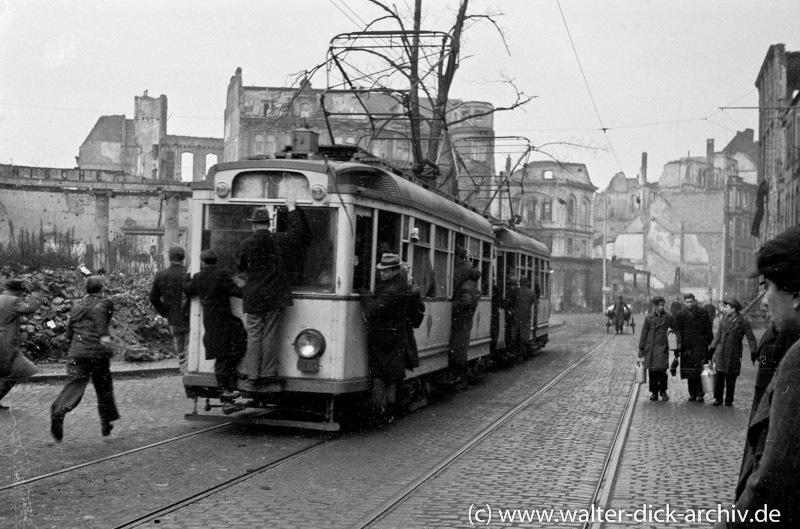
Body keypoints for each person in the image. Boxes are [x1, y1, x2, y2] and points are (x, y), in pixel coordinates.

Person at [719, 226, 800, 528]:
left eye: (768, 287)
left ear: (795, 294)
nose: (764, 300)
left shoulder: (797, 359)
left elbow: (772, 481)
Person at [237, 195, 309, 389]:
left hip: (252, 297)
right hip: (274, 296)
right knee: (270, 335)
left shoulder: (245, 244)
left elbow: (241, 268)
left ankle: (252, 376)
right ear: (268, 224)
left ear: (253, 225)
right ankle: (268, 374)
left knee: (253, 336)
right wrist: (292, 209)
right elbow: (297, 233)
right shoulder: (279, 240)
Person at [50, 276, 119, 441]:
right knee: (104, 388)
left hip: (76, 352)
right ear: (101, 288)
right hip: (97, 353)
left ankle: (59, 410)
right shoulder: (105, 303)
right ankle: (106, 422)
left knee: (75, 384)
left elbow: (69, 332)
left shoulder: (76, 306)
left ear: (85, 290)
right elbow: (101, 318)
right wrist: (103, 335)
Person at [184, 249, 247, 414]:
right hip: (223, 317)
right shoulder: (221, 274)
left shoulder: (198, 277)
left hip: (210, 319)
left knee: (222, 352)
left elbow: (188, 290)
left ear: (203, 262)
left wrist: (187, 277)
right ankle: (225, 391)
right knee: (229, 349)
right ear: (216, 261)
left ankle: (227, 384)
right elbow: (236, 292)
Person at [360, 253, 424, 414]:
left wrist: (364, 293)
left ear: (395, 271)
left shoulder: (392, 290)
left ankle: (380, 407)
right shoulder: (401, 285)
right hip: (393, 335)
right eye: (381, 270)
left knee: (380, 373)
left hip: (383, 337)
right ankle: (389, 405)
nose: (383, 274)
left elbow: (372, 310)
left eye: (387, 271)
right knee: (391, 373)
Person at [0, 278, 45, 410]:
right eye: (22, 292)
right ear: (17, 290)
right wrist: (37, 292)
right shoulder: (12, 301)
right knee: (19, 370)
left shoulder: (2, 298)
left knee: (10, 372)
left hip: (4, 341)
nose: (23, 294)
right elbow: (29, 308)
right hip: (5, 342)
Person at [149, 245, 190, 373]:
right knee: (190, 353)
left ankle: (185, 375)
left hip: (173, 319)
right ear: (183, 257)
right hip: (189, 318)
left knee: (181, 354)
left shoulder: (161, 275)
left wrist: (165, 311)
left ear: (169, 257)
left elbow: (153, 298)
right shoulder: (187, 274)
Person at [709, 298, 757, 407]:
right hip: (721, 352)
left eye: (727, 307)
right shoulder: (724, 320)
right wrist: (711, 350)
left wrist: (753, 352)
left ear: (733, 309)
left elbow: (751, 338)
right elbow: (717, 336)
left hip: (733, 354)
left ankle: (729, 400)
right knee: (719, 376)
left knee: (731, 377)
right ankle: (718, 399)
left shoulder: (743, 322)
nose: (725, 309)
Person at [674, 293, 714, 402]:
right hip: (687, 348)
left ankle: (700, 394)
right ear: (684, 302)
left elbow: (708, 330)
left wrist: (711, 346)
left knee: (699, 371)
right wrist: (677, 348)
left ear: (694, 301)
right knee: (690, 372)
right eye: (687, 302)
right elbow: (677, 333)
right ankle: (692, 394)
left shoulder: (702, 313)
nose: (689, 304)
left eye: (691, 302)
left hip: (700, 346)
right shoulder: (680, 315)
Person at [638, 296, 679, 402]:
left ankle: (663, 391)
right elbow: (644, 333)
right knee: (652, 372)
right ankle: (654, 392)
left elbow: (676, 328)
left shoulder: (668, 317)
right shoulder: (649, 318)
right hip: (650, 348)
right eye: (659, 305)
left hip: (662, 347)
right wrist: (641, 350)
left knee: (662, 371)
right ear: (655, 306)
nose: (661, 307)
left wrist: (674, 340)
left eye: (662, 305)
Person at [448, 267, 481, 383]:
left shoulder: (466, 287)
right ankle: (460, 373)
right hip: (467, 320)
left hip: (460, 320)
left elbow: (465, 302)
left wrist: (452, 306)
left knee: (457, 346)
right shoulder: (476, 289)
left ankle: (458, 373)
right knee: (462, 346)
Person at [505, 276, 536, 359]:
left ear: (520, 282)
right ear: (527, 282)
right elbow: (532, 303)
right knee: (524, 334)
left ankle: (516, 352)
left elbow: (511, 302)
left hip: (516, 316)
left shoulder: (516, 291)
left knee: (515, 333)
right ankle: (523, 350)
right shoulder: (531, 293)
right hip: (526, 316)